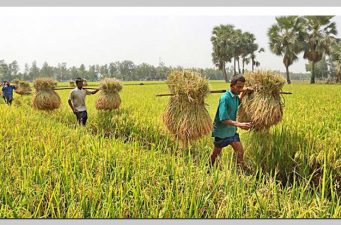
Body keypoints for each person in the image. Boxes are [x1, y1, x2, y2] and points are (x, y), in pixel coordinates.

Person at [209, 74, 253, 169]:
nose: (240, 89)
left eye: (242, 87)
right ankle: (208, 167)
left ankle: (239, 170)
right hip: (221, 133)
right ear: (231, 86)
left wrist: (244, 92)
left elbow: (238, 102)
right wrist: (240, 124)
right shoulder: (225, 98)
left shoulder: (235, 97)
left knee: (240, 152)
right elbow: (223, 119)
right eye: (238, 87)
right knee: (215, 155)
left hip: (232, 132)